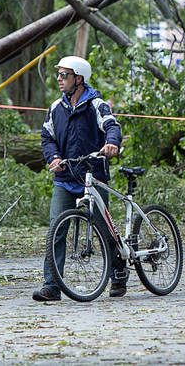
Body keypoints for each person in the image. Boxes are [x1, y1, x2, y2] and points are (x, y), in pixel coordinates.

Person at [33, 55, 127, 302]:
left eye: (64, 75)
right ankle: (52, 286)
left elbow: (111, 125)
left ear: (79, 79)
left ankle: (118, 273)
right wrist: (53, 157)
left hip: (92, 177)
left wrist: (111, 143)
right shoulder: (56, 108)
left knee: (104, 227)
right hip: (65, 177)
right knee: (56, 229)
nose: (59, 80)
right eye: (58, 75)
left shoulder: (96, 104)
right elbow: (47, 137)